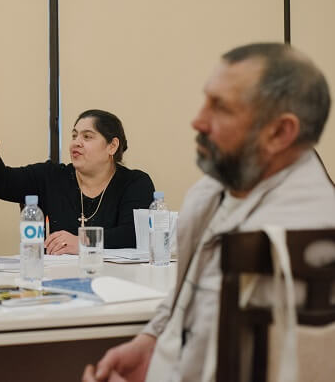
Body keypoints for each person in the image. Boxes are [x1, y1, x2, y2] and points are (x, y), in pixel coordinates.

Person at [83, 43, 335, 382]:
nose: (198, 120)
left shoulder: (297, 236)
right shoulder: (212, 191)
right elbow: (189, 293)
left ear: (279, 132)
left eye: (221, 108)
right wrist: (151, 340)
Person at [0, 96, 155, 253]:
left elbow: (135, 234)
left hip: (116, 283)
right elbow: (0, 181)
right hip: (57, 281)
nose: (76, 143)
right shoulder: (51, 176)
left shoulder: (135, 183)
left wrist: (83, 241)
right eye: (74, 135)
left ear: (112, 146)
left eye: (87, 137)